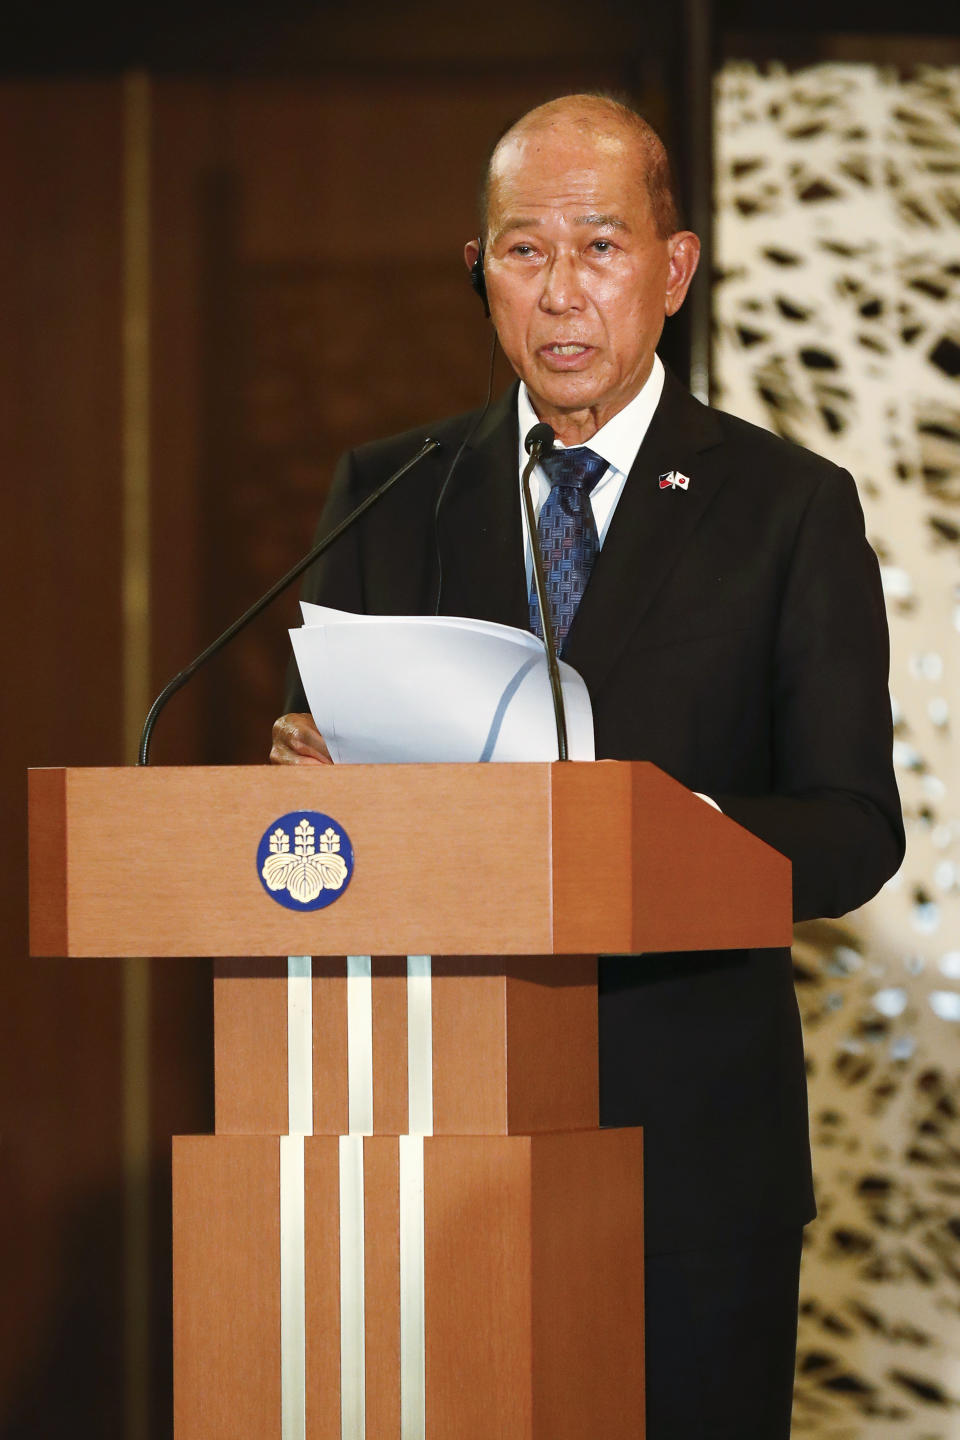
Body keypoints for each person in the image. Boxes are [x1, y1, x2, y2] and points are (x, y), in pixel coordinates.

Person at [271, 94, 904, 1438]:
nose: (562, 293)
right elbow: (311, 787)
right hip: (428, 1138)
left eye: (601, 247)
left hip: (691, 1164)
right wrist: (311, 777)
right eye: (524, 251)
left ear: (674, 270)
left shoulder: (786, 508)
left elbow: (855, 827)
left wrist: (668, 837)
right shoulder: (393, 491)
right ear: (480, 272)